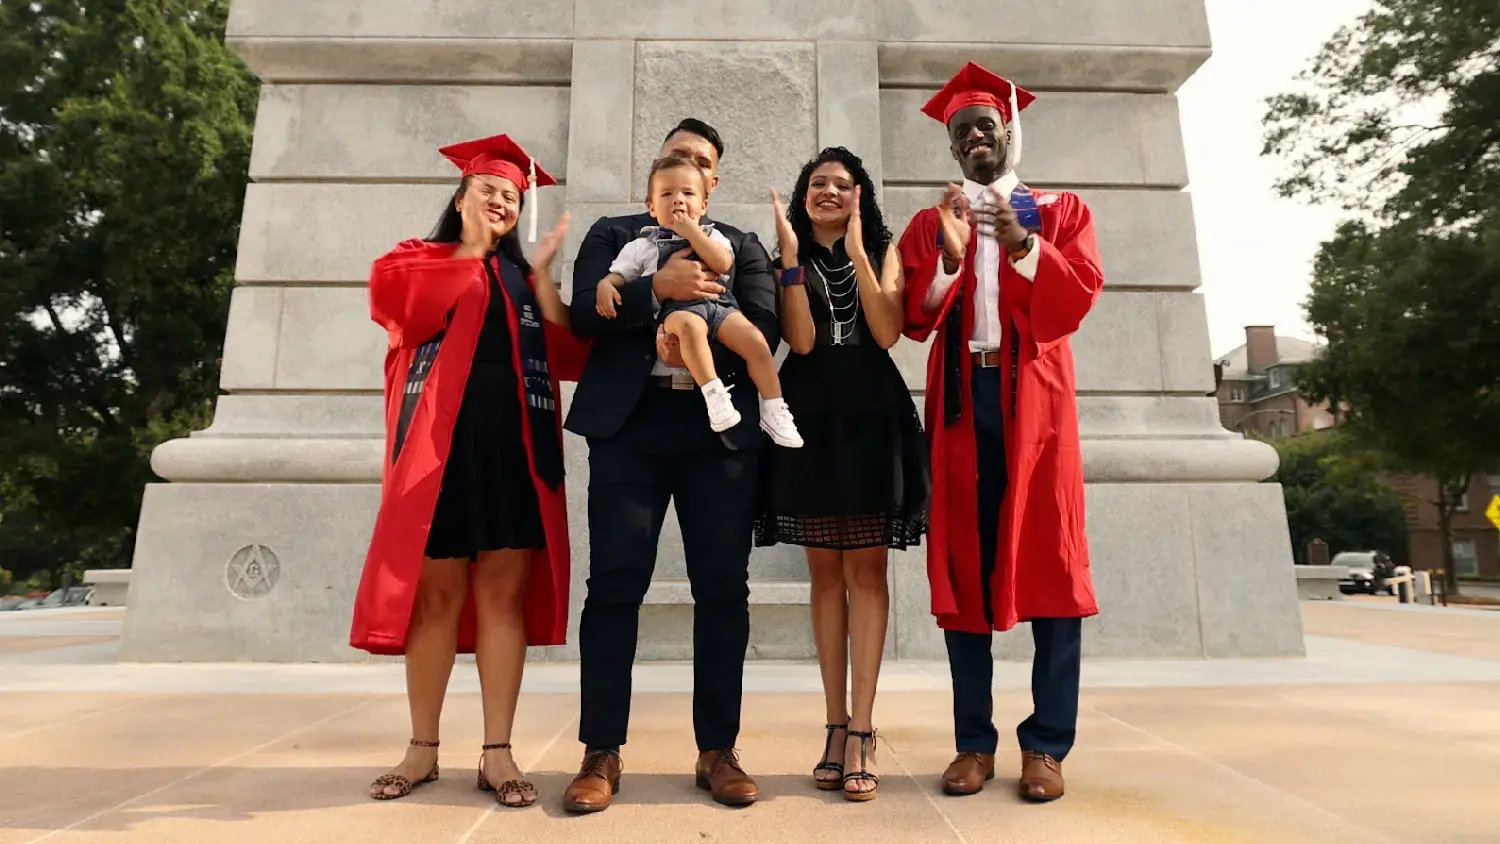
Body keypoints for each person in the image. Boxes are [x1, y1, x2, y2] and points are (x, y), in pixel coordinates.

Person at [350, 134, 584, 809]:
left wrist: (545, 285)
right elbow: (400, 309)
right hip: (438, 458)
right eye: (490, 191)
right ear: (460, 197)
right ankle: (422, 749)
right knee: (436, 599)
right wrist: (473, 251)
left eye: (512, 197)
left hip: (513, 452)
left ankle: (498, 753)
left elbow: (570, 356)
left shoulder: (519, 281)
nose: (502, 202)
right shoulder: (414, 259)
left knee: (503, 597)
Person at [897, 62, 1105, 803]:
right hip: (959, 405)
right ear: (953, 149)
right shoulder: (932, 220)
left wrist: (1024, 245)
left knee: (1051, 563)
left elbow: (1075, 301)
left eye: (986, 125)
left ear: (1008, 132)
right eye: (962, 132)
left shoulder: (1061, 210)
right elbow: (913, 319)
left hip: (1038, 410)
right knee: (965, 568)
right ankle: (973, 744)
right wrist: (950, 259)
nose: (976, 137)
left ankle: (1047, 745)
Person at [563, 118, 775, 812]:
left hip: (718, 433)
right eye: (673, 159)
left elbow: (765, 333)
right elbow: (584, 316)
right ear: (653, 180)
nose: (686, 170)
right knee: (615, 587)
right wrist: (659, 287)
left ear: (713, 180)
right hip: (632, 427)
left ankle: (717, 749)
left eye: (700, 162)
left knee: (722, 589)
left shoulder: (739, 245)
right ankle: (601, 752)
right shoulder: (610, 235)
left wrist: (697, 269)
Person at [755, 147, 929, 801]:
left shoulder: (883, 250)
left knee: (868, 572)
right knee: (824, 573)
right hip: (808, 422)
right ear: (803, 194)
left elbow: (886, 333)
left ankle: (863, 731)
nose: (829, 191)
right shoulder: (783, 262)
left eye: (843, 185)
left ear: (860, 195)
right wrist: (794, 260)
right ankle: (832, 726)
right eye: (819, 183)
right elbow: (798, 342)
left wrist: (857, 250)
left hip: (871, 419)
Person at [595, 154, 802, 445]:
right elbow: (620, 274)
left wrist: (692, 232)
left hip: (720, 306)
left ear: (704, 205)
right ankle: (714, 396)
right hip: (678, 311)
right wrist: (606, 285)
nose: (678, 200)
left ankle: (773, 407)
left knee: (755, 341)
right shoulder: (642, 245)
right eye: (667, 194)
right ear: (652, 208)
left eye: (688, 193)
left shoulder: (714, 235)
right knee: (691, 331)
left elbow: (722, 263)